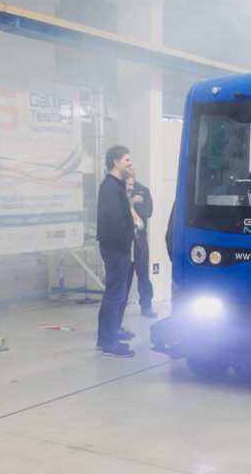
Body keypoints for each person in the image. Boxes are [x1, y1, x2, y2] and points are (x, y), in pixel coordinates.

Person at [96, 145, 136, 357]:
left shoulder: (116, 186)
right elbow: (114, 218)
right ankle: (110, 344)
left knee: (112, 294)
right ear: (116, 162)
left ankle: (104, 338)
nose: (130, 163)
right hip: (116, 247)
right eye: (127, 160)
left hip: (117, 246)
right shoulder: (110, 187)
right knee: (116, 295)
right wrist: (127, 236)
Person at [125, 167, 157, 318]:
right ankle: (119, 308)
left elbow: (148, 212)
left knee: (143, 274)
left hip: (140, 239)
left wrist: (136, 204)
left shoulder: (143, 190)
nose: (131, 172)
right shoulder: (120, 191)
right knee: (123, 276)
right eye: (128, 170)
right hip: (123, 239)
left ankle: (146, 306)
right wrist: (131, 202)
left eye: (133, 170)